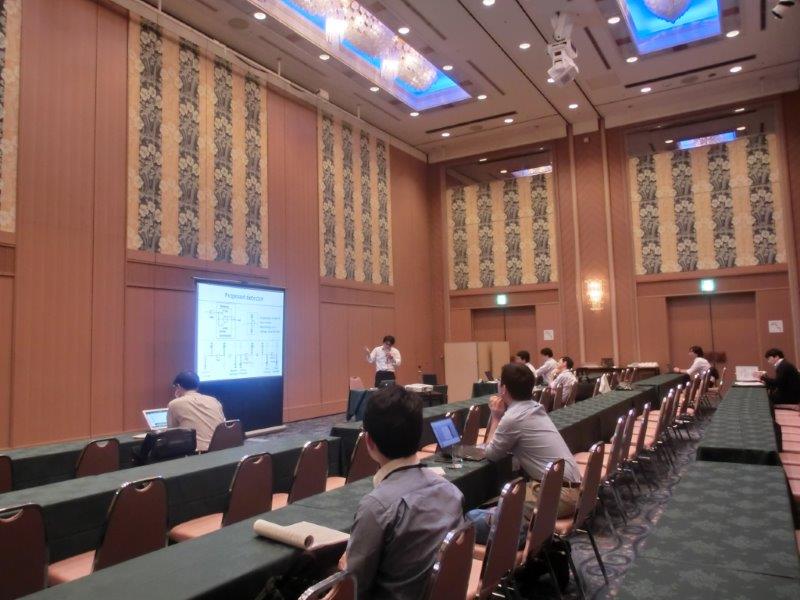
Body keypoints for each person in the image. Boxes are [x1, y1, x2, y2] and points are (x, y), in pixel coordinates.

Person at [343, 385, 464, 599]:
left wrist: (346, 566)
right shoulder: (452, 492)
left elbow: (354, 587)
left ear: (368, 441)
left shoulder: (376, 507)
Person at [466, 363, 581, 544]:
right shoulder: (535, 407)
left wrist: (496, 417)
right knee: (503, 499)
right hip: (570, 489)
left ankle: (512, 541)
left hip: (559, 495)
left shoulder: (513, 417)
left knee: (471, 519)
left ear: (503, 389)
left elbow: (490, 453)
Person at [166, 371, 225, 452]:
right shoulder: (213, 400)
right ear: (197, 386)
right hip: (220, 449)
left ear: (178, 386)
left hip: (197, 453)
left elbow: (172, 432)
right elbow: (223, 423)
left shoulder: (174, 404)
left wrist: (178, 400)